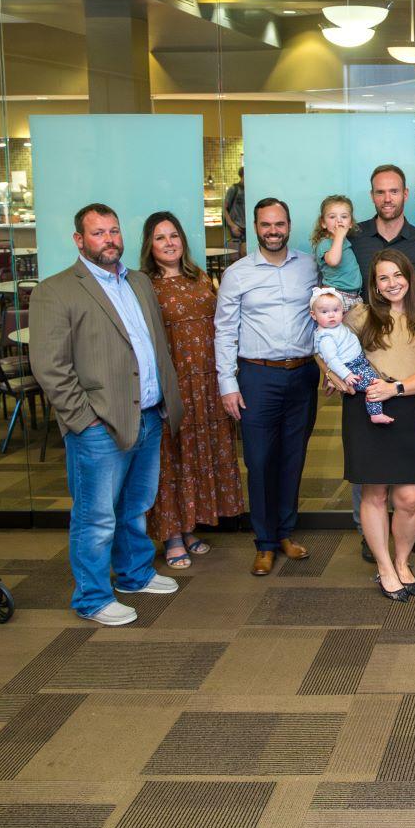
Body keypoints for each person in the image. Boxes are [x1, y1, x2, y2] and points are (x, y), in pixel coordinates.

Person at [29, 203, 184, 626]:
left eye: (114, 231)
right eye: (98, 233)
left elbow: (153, 346)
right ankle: (93, 598)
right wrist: (84, 419)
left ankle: (133, 574)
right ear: (80, 240)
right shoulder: (56, 291)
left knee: (136, 506)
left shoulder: (138, 282)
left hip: (149, 415)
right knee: (96, 517)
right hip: (98, 426)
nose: (109, 240)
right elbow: (49, 367)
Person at [332, 250, 415, 602]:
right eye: (383, 278)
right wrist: (332, 374)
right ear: (375, 285)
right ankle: (384, 567)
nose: (392, 283)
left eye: (397, 275)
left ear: (409, 277)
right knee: (375, 494)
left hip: (405, 406)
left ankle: (402, 560)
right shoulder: (359, 316)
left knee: (409, 498)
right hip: (364, 411)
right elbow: (322, 342)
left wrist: (396, 387)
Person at [215, 197, 317, 577]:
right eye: (265, 225)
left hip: (303, 374)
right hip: (256, 377)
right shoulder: (237, 273)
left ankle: (286, 532)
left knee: (293, 457)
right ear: (255, 227)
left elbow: (327, 313)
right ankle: (265, 543)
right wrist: (228, 385)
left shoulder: (309, 265)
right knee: (258, 461)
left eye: (279, 224)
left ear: (289, 225)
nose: (273, 231)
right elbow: (224, 332)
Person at [140, 211, 245, 570]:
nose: (169, 243)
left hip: (208, 382)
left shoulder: (199, 276)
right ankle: (171, 534)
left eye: (174, 236)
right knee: (173, 457)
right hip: (176, 382)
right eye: (160, 238)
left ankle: (189, 526)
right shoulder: (144, 286)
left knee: (199, 455)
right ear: (149, 245)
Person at [348, 164, 415, 558]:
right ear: (372, 196)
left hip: (408, 374)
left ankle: (403, 534)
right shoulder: (353, 238)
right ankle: (372, 538)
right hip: (365, 363)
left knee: (406, 491)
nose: (387, 198)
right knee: (369, 483)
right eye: (380, 192)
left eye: (394, 191)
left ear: (406, 194)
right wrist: (338, 372)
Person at [312, 287, 392, 422]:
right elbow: (331, 360)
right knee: (373, 384)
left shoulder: (336, 326)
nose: (331, 315)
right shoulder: (326, 337)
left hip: (357, 362)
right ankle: (375, 413)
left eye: (336, 310)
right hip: (350, 368)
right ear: (313, 315)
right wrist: (346, 375)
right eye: (324, 312)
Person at [311, 194, 364, 306]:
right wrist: (339, 236)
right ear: (323, 223)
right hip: (336, 295)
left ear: (350, 223)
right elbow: (334, 261)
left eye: (344, 217)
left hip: (354, 296)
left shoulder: (345, 242)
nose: (339, 221)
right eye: (332, 217)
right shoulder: (325, 243)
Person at [222, 167, 246, 255]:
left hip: (248, 227)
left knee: (245, 253)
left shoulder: (250, 190)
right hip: (237, 227)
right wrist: (232, 225)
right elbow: (224, 208)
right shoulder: (234, 189)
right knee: (235, 255)